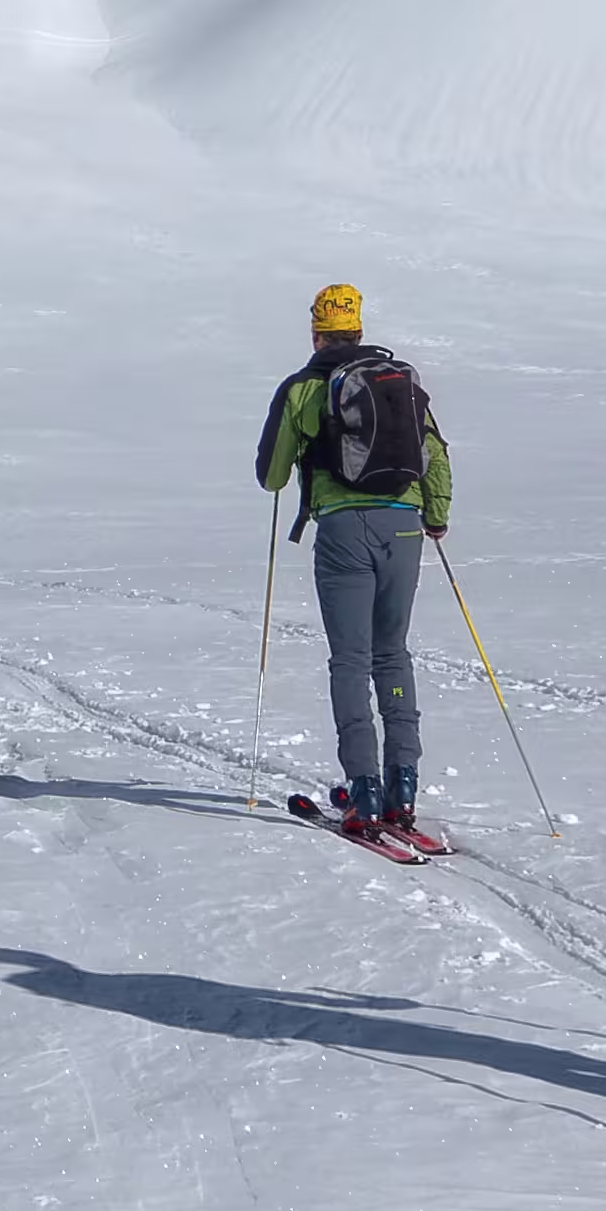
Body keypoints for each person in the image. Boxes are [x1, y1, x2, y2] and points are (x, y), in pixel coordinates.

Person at [254, 283, 455, 841]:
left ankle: (363, 790)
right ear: (359, 329)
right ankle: (403, 787)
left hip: (344, 530)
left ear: (316, 333)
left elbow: (271, 475)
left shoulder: (304, 388)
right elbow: (435, 455)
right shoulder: (398, 383)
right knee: (392, 653)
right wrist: (436, 516)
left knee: (350, 659)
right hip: (405, 526)